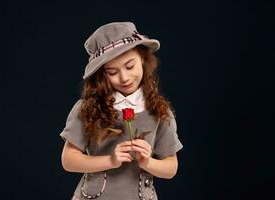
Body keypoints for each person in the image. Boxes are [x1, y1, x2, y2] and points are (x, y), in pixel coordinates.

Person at [60, 22, 183, 200]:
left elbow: (170, 168)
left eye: (130, 66)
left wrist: (147, 162)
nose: (124, 77)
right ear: (102, 74)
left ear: (142, 59)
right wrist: (111, 160)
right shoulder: (87, 108)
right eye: (112, 72)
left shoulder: (160, 111)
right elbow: (68, 160)